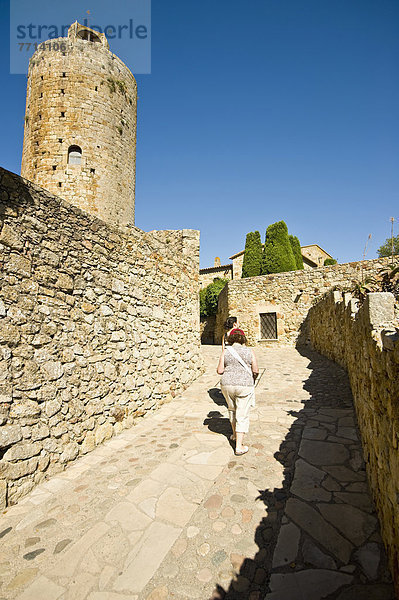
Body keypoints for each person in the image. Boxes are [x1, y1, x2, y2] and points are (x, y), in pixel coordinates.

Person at [217, 328, 259, 455]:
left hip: (227, 385)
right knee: (242, 414)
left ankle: (234, 435)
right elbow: (256, 370)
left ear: (231, 339)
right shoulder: (249, 351)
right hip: (244, 385)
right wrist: (253, 378)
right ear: (243, 339)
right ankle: (239, 446)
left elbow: (219, 371)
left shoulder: (226, 351)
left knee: (232, 409)